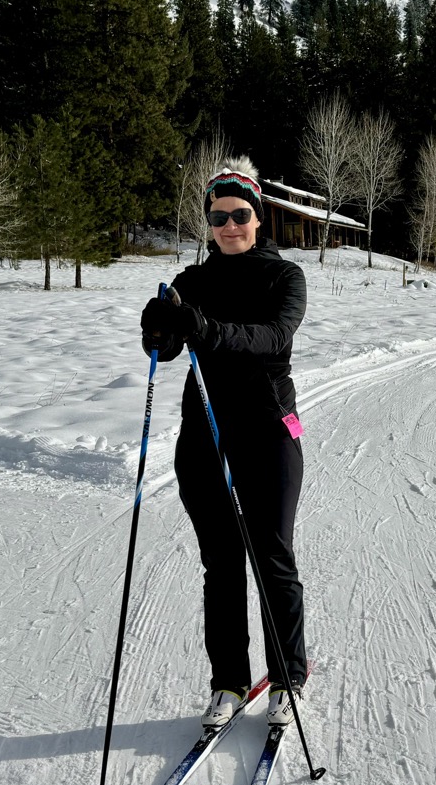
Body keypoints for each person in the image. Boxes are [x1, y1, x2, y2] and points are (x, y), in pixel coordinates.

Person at [138, 158, 308, 728]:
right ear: (208, 223)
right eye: (218, 217)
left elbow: (272, 337)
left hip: (267, 434)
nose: (230, 226)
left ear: (258, 217)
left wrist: (203, 329)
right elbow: (169, 353)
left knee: (272, 555)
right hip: (205, 438)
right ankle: (229, 682)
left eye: (240, 215)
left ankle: (287, 677)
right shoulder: (192, 284)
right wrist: (159, 334)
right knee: (221, 564)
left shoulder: (283, 278)